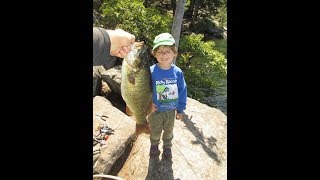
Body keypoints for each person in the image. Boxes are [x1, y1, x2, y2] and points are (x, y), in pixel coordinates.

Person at [147, 33, 187, 159]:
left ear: (174, 52)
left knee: (169, 131)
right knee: (155, 130)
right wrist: (148, 105)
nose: (164, 55)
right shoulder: (150, 71)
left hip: (170, 111)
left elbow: (182, 91)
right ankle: (154, 146)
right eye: (160, 51)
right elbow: (146, 90)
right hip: (155, 111)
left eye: (168, 51)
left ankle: (167, 147)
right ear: (154, 54)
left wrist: (181, 109)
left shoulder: (177, 72)